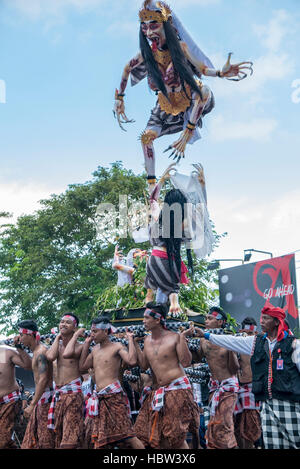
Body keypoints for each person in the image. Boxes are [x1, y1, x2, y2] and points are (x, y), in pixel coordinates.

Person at [114, 0, 253, 193]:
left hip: (189, 100)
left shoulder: (180, 48)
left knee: (203, 91)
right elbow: (127, 68)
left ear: (166, 25)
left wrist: (220, 73)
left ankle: (188, 130)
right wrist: (119, 99)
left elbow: (203, 69)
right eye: (144, 27)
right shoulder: (147, 54)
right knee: (146, 138)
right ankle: (152, 188)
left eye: (153, 25)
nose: (149, 32)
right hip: (165, 106)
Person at [195, 305, 300, 449]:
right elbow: (232, 341)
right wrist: (206, 335)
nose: (261, 321)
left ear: (277, 322)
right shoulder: (257, 342)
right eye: (261, 318)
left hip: (289, 404)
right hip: (267, 403)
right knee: (271, 444)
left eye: (266, 318)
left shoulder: (294, 345)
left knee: (295, 442)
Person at [133, 302, 200, 449]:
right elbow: (144, 365)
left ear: (157, 320)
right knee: (158, 436)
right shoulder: (147, 340)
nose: (143, 321)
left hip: (178, 390)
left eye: (146, 318)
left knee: (175, 437)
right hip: (159, 391)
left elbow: (186, 362)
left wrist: (182, 337)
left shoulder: (175, 337)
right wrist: (135, 344)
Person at [79, 317, 145, 449]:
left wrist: (131, 340)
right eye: (91, 331)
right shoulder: (95, 350)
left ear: (105, 331)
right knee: (99, 440)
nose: (92, 334)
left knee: (128, 436)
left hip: (114, 397)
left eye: (95, 331)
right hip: (99, 399)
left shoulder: (117, 346)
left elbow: (132, 361)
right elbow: (82, 367)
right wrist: (86, 344)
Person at [193, 307, 240, 449]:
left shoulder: (228, 339)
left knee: (224, 425)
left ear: (220, 322)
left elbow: (234, 369)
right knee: (213, 427)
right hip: (214, 388)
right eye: (206, 318)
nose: (206, 321)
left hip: (228, 386)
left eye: (210, 318)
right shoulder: (203, 341)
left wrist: (230, 348)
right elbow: (192, 359)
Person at [46, 312, 84, 449]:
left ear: (74, 327)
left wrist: (74, 336)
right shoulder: (56, 346)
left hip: (73, 395)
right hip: (59, 395)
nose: (63, 324)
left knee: (69, 440)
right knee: (59, 436)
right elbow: (50, 357)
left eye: (68, 322)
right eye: (62, 321)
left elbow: (68, 353)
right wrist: (57, 339)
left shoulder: (80, 346)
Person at [18, 320, 55, 449]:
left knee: (45, 440)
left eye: (21, 335)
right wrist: (19, 348)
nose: (20, 338)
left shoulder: (41, 352)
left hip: (45, 399)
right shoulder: (35, 352)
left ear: (30, 335)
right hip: (41, 399)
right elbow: (29, 366)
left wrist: (32, 404)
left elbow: (43, 379)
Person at [234, 317, 261, 449]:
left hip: (252, 387)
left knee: (250, 427)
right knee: (236, 425)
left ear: (255, 333)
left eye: (250, 334)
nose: (247, 337)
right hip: (236, 387)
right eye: (244, 333)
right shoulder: (236, 344)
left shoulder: (261, 345)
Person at [0, 335, 32, 448]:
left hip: (9, 400)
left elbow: (28, 366)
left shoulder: (4, 352)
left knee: (2, 440)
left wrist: (19, 348)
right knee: (6, 442)